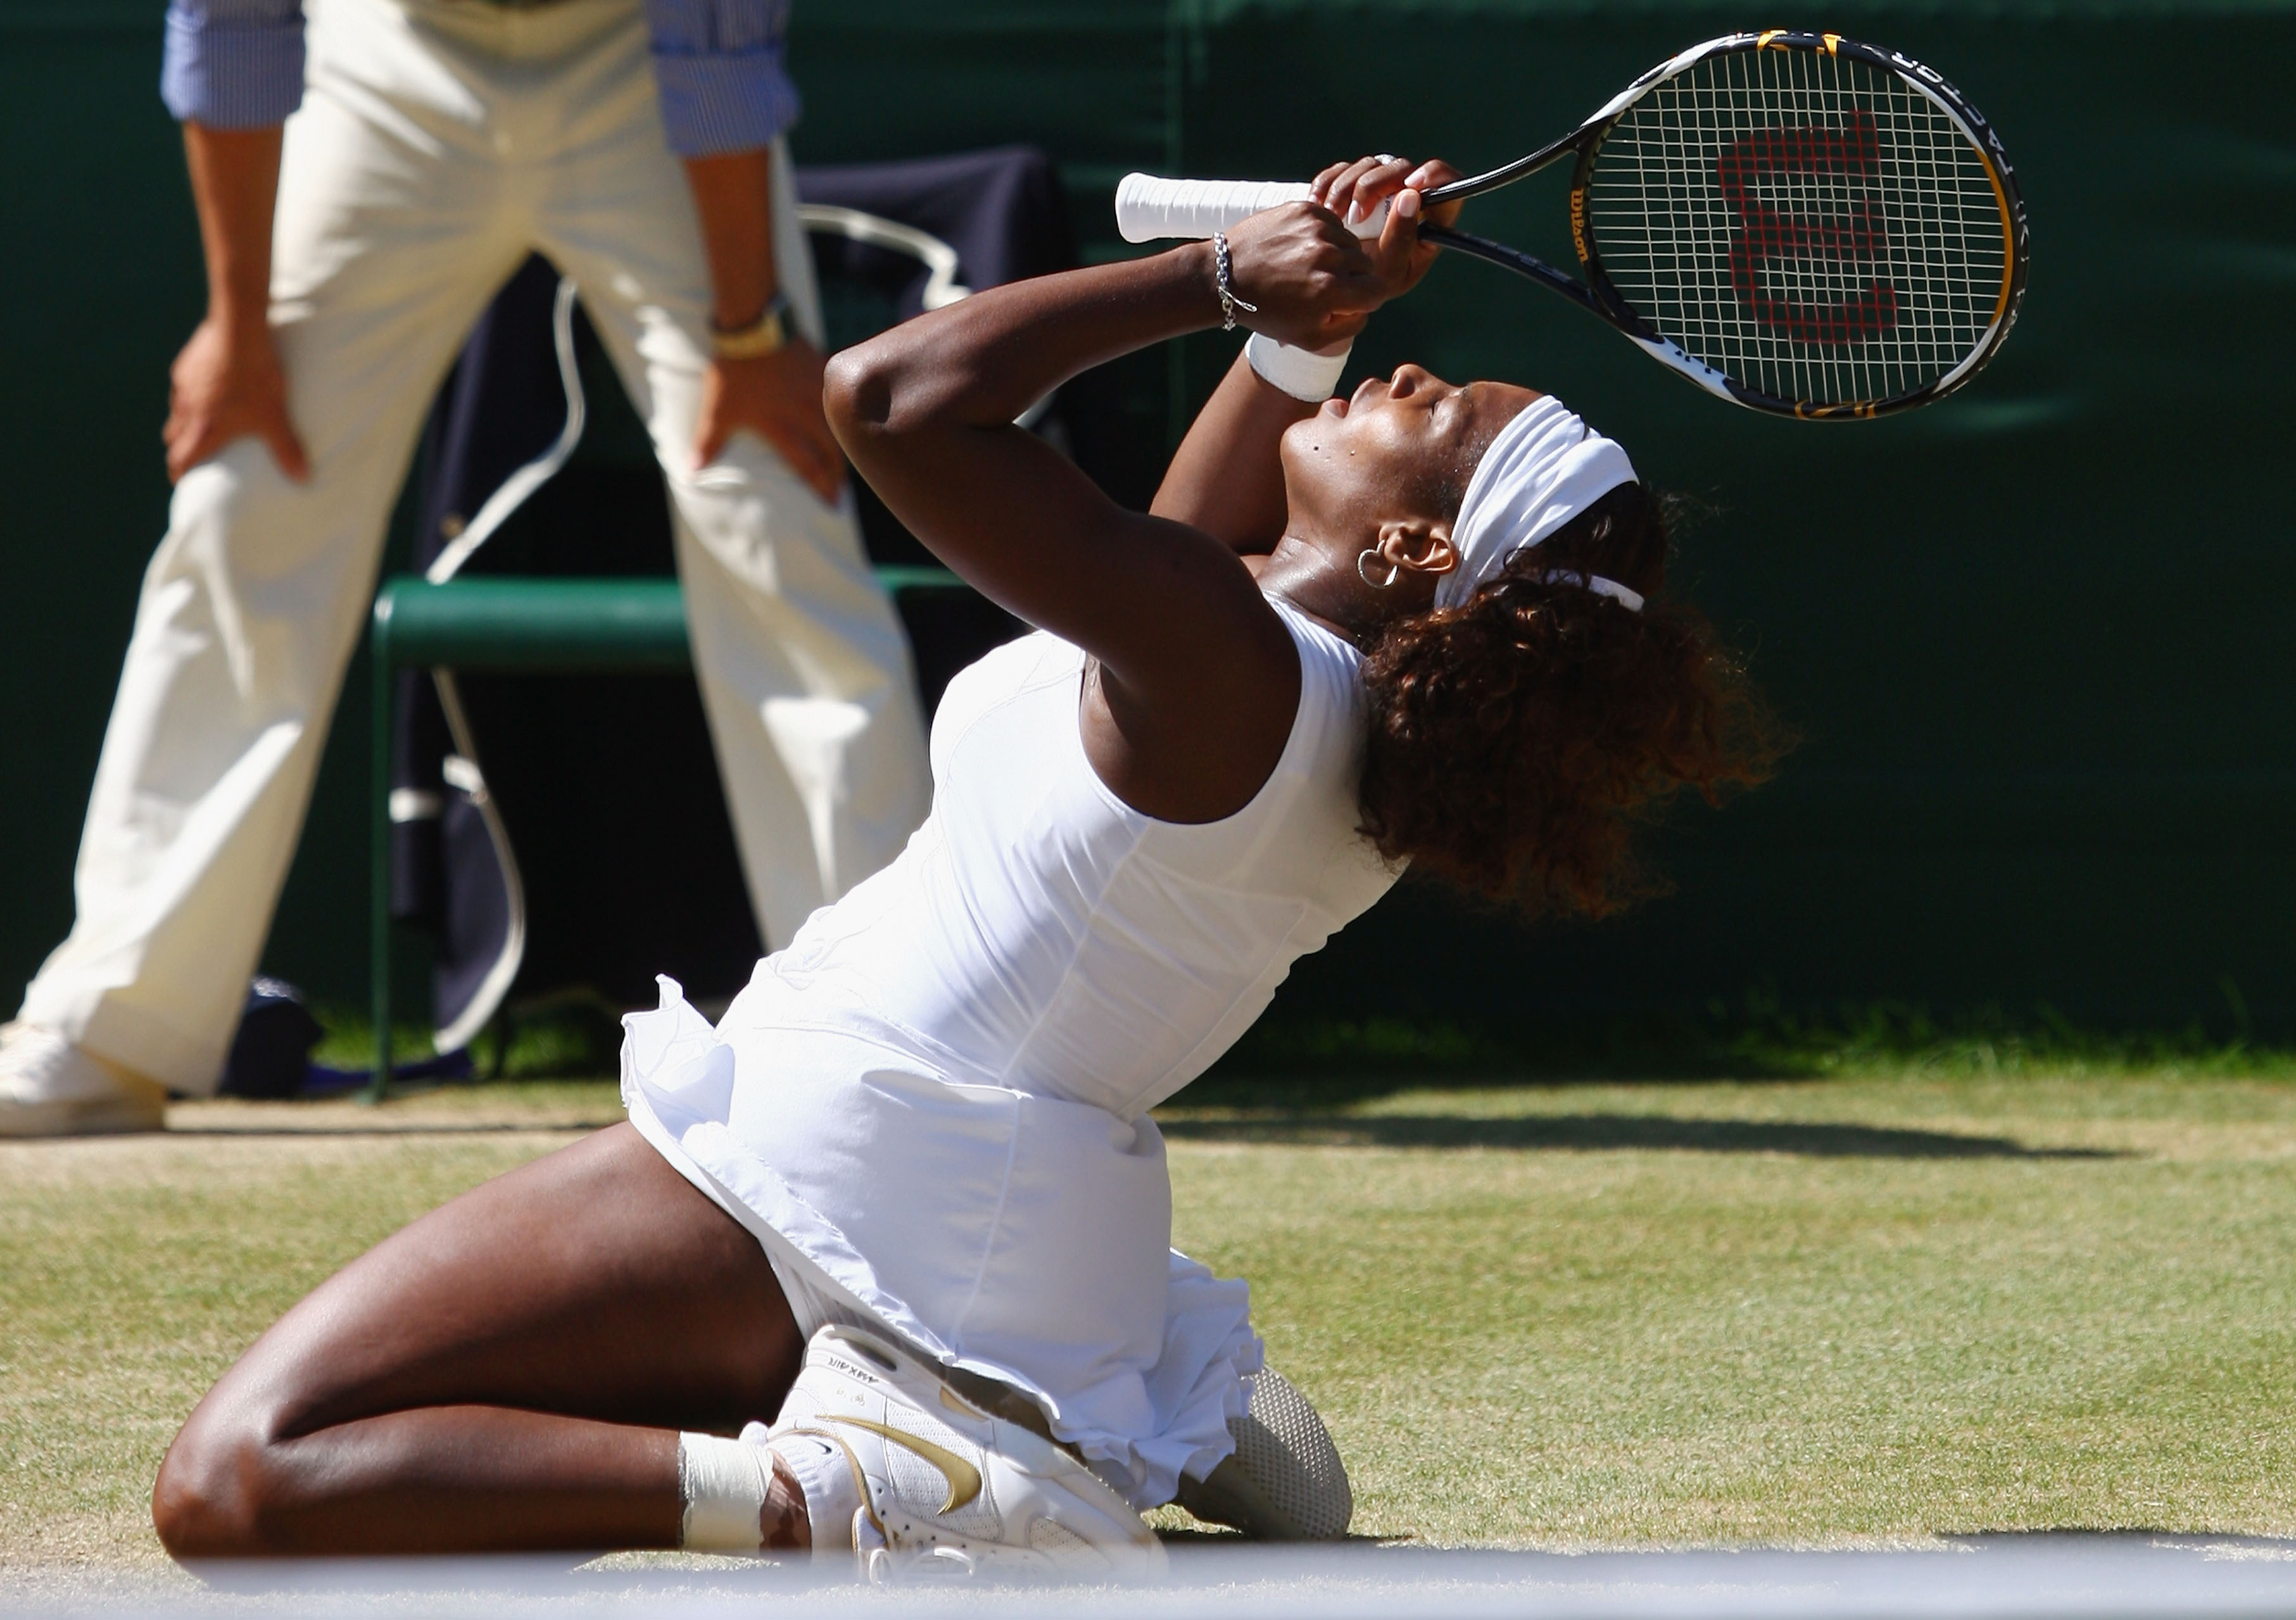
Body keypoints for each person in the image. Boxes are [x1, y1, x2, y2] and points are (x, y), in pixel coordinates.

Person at [146, 157, 1778, 1573]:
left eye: (1429, 408)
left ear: (1422, 549)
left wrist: (1215, 277)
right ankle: (1096, 1371)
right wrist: (1305, 323)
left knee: (241, 1475)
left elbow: (892, 395)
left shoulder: (1229, 667)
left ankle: (849, 1478)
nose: (1405, 375)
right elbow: (1182, 538)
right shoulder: (1287, 696)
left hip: (834, 1158)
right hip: (977, 1180)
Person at [0, 0, 932, 1137]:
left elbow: (712, 33)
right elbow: (232, 18)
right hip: (386, 55)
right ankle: (112, 1022)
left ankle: (902, 1024)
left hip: (642, 58)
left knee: (776, 504)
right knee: (244, 498)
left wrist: (747, 335)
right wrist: (237, 328)